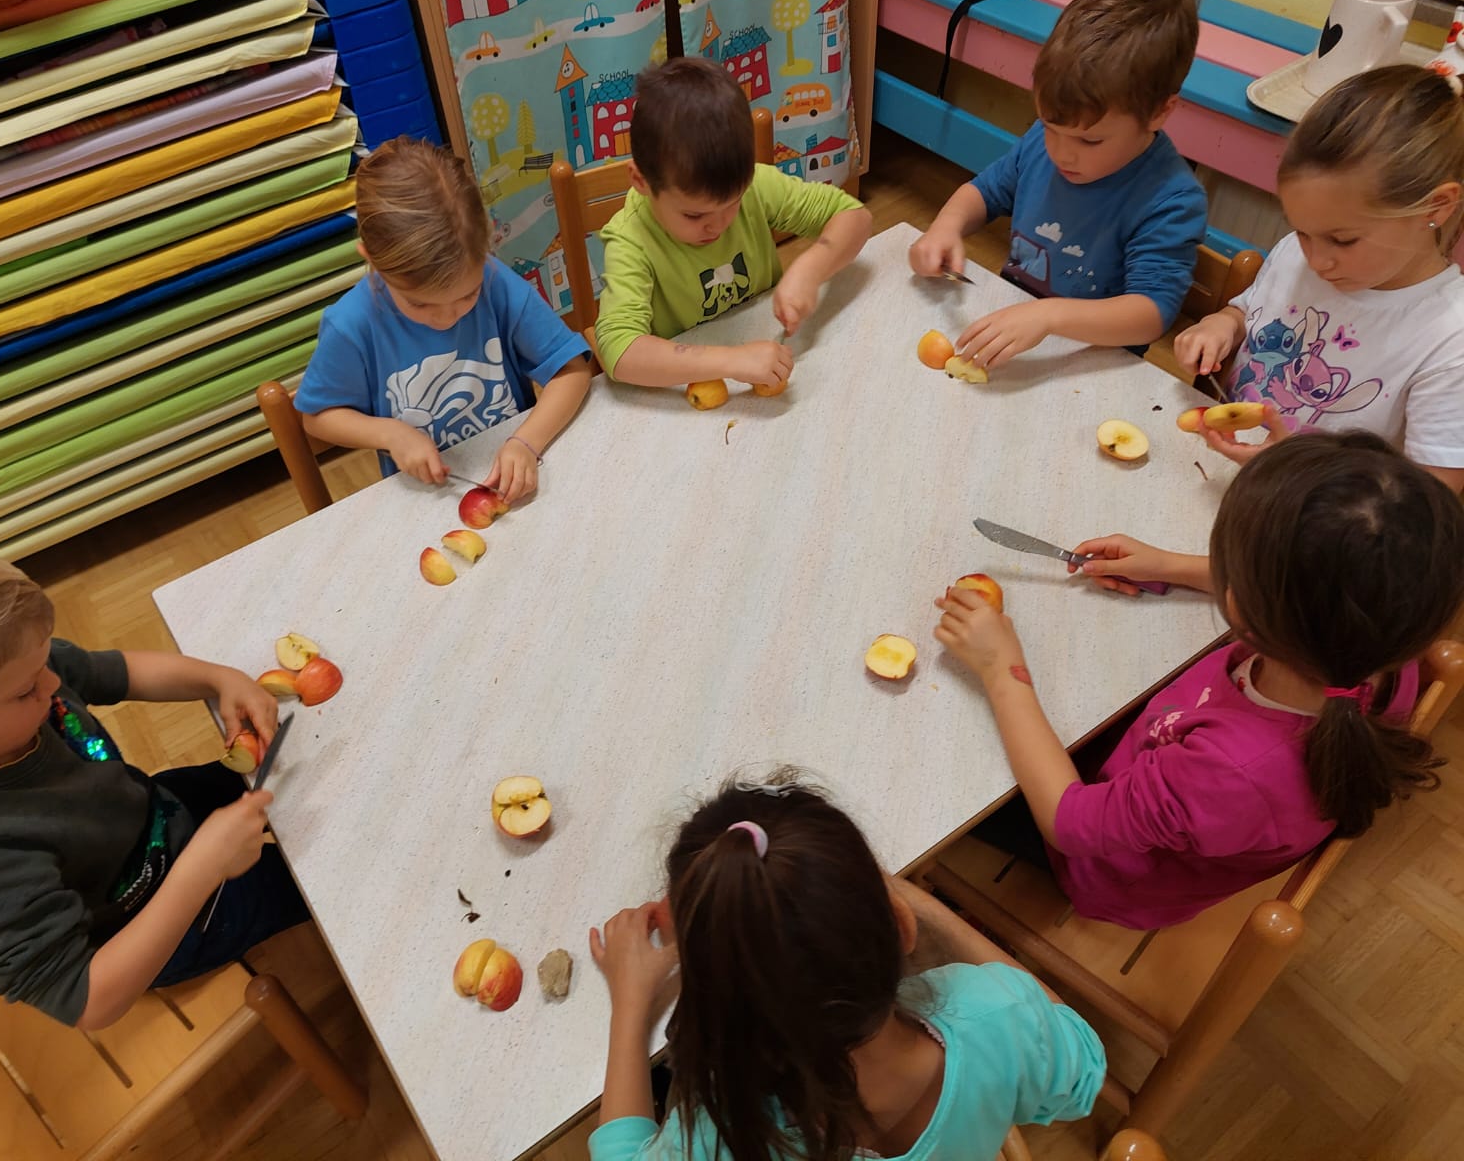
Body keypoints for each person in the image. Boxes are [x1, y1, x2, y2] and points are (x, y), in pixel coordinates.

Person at [934, 431, 1464, 930]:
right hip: (1165, 761)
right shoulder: (1383, 642)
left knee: (952, 793)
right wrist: (1168, 565)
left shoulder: (1229, 775)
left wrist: (1002, 671)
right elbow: (1322, 587)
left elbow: (1068, 822)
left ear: (1248, 603)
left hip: (1105, 869)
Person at [0, 529, 308, 1029]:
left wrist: (217, 678)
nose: (54, 682)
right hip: (161, 926)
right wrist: (203, 869)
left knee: (299, 776)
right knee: (315, 880)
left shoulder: (3, 668)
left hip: (151, 814)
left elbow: (114, 671)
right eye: (27, 690)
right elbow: (87, 1001)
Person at [586, 775, 1105, 1160]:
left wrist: (630, 1007)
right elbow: (1081, 1069)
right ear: (900, 926)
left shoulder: (725, 1136)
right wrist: (921, 907)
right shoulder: (998, 1014)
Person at [1175, 66, 1464, 493]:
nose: (1316, 260)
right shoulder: (1296, 253)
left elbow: (1429, 497)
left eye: (1342, 240)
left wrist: (1300, 471)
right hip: (1219, 475)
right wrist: (1221, 325)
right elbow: (1250, 312)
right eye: (1302, 231)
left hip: (1317, 513)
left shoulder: (1450, 341)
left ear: (1435, 208)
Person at [909, 0, 1206, 370]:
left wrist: (1049, 316)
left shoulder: (1172, 199)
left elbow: (1150, 313)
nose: (1062, 154)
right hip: (1015, 339)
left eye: (1090, 141)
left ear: (1159, 112)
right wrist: (946, 227)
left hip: (1089, 364)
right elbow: (985, 191)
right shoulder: (1042, 142)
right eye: (1050, 127)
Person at [295, 136, 594, 505]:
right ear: (371, 259)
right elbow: (318, 418)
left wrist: (526, 442)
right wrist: (390, 434)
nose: (446, 317)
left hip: (513, 485)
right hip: (424, 500)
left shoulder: (495, 282)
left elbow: (572, 371)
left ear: (486, 247)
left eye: (468, 295)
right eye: (419, 304)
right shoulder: (352, 325)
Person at [595, 57, 874, 389]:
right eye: (694, 215)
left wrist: (810, 270)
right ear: (641, 181)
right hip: (687, 383)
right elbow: (620, 350)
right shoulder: (631, 239)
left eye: (733, 203)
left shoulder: (756, 186)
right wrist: (732, 360)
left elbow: (855, 217)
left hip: (765, 352)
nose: (718, 225)